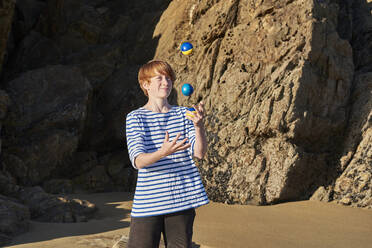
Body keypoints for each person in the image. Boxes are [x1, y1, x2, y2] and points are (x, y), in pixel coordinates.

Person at [122, 60, 209, 248]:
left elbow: (200, 153)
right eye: (159, 78)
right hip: (149, 202)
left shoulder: (185, 114)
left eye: (168, 78)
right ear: (146, 85)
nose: (166, 82)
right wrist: (163, 152)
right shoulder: (135, 118)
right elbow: (138, 160)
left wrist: (198, 126)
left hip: (182, 200)